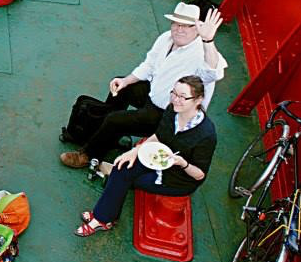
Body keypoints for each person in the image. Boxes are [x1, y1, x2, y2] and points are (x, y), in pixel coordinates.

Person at [60, 3, 226, 169]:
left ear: (197, 28)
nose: (179, 29)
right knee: (122, 89)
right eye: (176, 24)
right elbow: (149, 65)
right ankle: (104, 135)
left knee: (115, 120)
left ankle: (89, 155)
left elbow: (212, 73)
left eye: (187, 26)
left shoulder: (203, 53)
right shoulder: (166, 38)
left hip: (170, 114)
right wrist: (126, 81)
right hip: (154, 93)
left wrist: (208, 40)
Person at [75, 76, 216, 236]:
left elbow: (199, 175)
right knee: (122, 167)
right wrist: (134, 151)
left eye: (183, 97)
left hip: (178, 178)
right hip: (159, 159)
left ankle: (103, 218)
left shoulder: (206, 134)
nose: (176, 100)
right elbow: (159, 136)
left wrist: (182, 163)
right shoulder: (172, 110)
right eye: (174, 93)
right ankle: (104, 218)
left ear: (198, 100)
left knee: (129, 180)